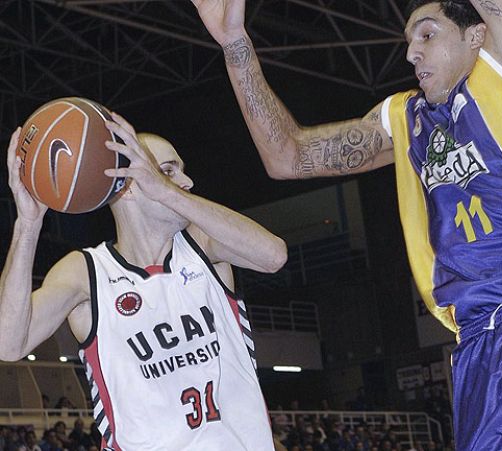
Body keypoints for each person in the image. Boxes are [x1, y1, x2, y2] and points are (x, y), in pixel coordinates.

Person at [193, 0, 502, 449]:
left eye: (427, 35)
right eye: (408, 42)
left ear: (476, 35)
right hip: (478, 337)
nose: (411, 53)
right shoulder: (405, 118)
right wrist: (234, 43)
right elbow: (286, 156)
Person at [0, 116, 287, 450]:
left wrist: (166, 191)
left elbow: (273, 256)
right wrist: (28, 224)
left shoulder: (205, 245)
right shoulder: (86, 271)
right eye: (168, 170)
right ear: (128, 184)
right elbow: (9, 343)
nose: (187, 181)